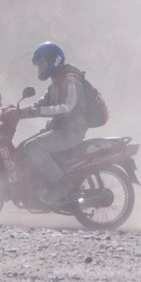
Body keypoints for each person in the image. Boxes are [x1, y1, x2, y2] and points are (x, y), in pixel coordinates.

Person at [16, 41, 88, 206]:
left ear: (53, 60)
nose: (40, 68)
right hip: (60, 129)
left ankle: (63, 184)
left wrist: (39, 112)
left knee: (33, 147)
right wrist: (19, 111)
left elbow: (66, 108)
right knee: (23, 146)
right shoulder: (56, 81)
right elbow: (41, 103)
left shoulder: (70, 81)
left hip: (72, 132)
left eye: (42, 63)